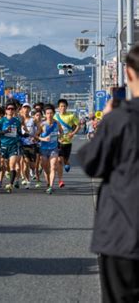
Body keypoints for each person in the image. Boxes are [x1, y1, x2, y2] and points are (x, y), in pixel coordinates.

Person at [77, 45, 139, 303]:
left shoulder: (120, 119)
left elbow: (93, 163)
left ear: (128, 73)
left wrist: (105, 119)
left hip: (124, 229)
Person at [0, 101, 25, 193]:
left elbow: (19, 133)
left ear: (14, 111)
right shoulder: (2, 120)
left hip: (14, 145)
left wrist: (25, 134)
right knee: (4, 164)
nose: (10, 110)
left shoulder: (17, 121)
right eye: (8, 109)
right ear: (6, 110)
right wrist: (5, 131)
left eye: (12, 109)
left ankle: (10, 185)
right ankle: (7, 172)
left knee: (12, 164)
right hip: (4, 145)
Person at [37, 104, 63, 195]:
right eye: (47, 113)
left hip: (54, 148)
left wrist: (60, 138)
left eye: (51, 113)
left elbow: (61, 132)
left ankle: (51, 186)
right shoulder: (42, 124)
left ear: (54, 113)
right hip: (44, 149)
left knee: (53, 167)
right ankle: (48, 183)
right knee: (45, 167)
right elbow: (36, 136)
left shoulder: (57, 123)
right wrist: (43, 139)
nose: (49, 115)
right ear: (45, 114)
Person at [55, 99, 80, 188]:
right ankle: (60, 180)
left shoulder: (71, 116)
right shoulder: (55, 117)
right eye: (61, 106)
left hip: (68, 142)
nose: (62, 108)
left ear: (67, 107)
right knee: (59, 160)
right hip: (58, 141)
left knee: (65, 160)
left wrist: (72, 133)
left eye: (64, 106)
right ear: (58, 107)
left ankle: (67, 163)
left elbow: (78, 125)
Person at [20, 103, 40, 189]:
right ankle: (27, 181)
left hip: (32, 144)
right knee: (25, 163)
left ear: (30, 110)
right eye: (24, 108)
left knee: (32, 165)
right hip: (22, 144)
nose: (26, 109)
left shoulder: (33, 120)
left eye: (28, 108)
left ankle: (33, 171)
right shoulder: (19, 120)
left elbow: (40, 129)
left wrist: (35, 136)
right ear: (22, 109)